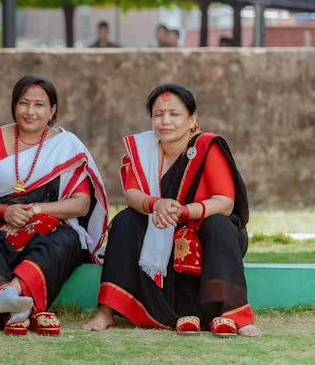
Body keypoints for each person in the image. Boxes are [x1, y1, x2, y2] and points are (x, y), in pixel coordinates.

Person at [83, 84, 261, 337]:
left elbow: (225, 202)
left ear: (192, 119)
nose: (165, 121)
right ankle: (107, 311)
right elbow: (132, 194)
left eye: (174, 114)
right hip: (161, 234)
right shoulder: (143, 150)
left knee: (218, 223)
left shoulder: (207, 147)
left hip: (207, 233)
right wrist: (157, 204)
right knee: (125, 221)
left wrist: (184, 212)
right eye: (158, 114)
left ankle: (233, 315)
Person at [0, 75, 109, 336]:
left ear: (52, 110)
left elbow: (81, 204)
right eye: (23, 103)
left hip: (55, 226)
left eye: (39, 105)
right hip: (2, 223)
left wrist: (37, 211)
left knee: (61, 243)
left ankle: (10, 295)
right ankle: (13, 310)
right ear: (14, 106)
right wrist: (4, 211)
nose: (30, 112)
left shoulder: (66, 146)